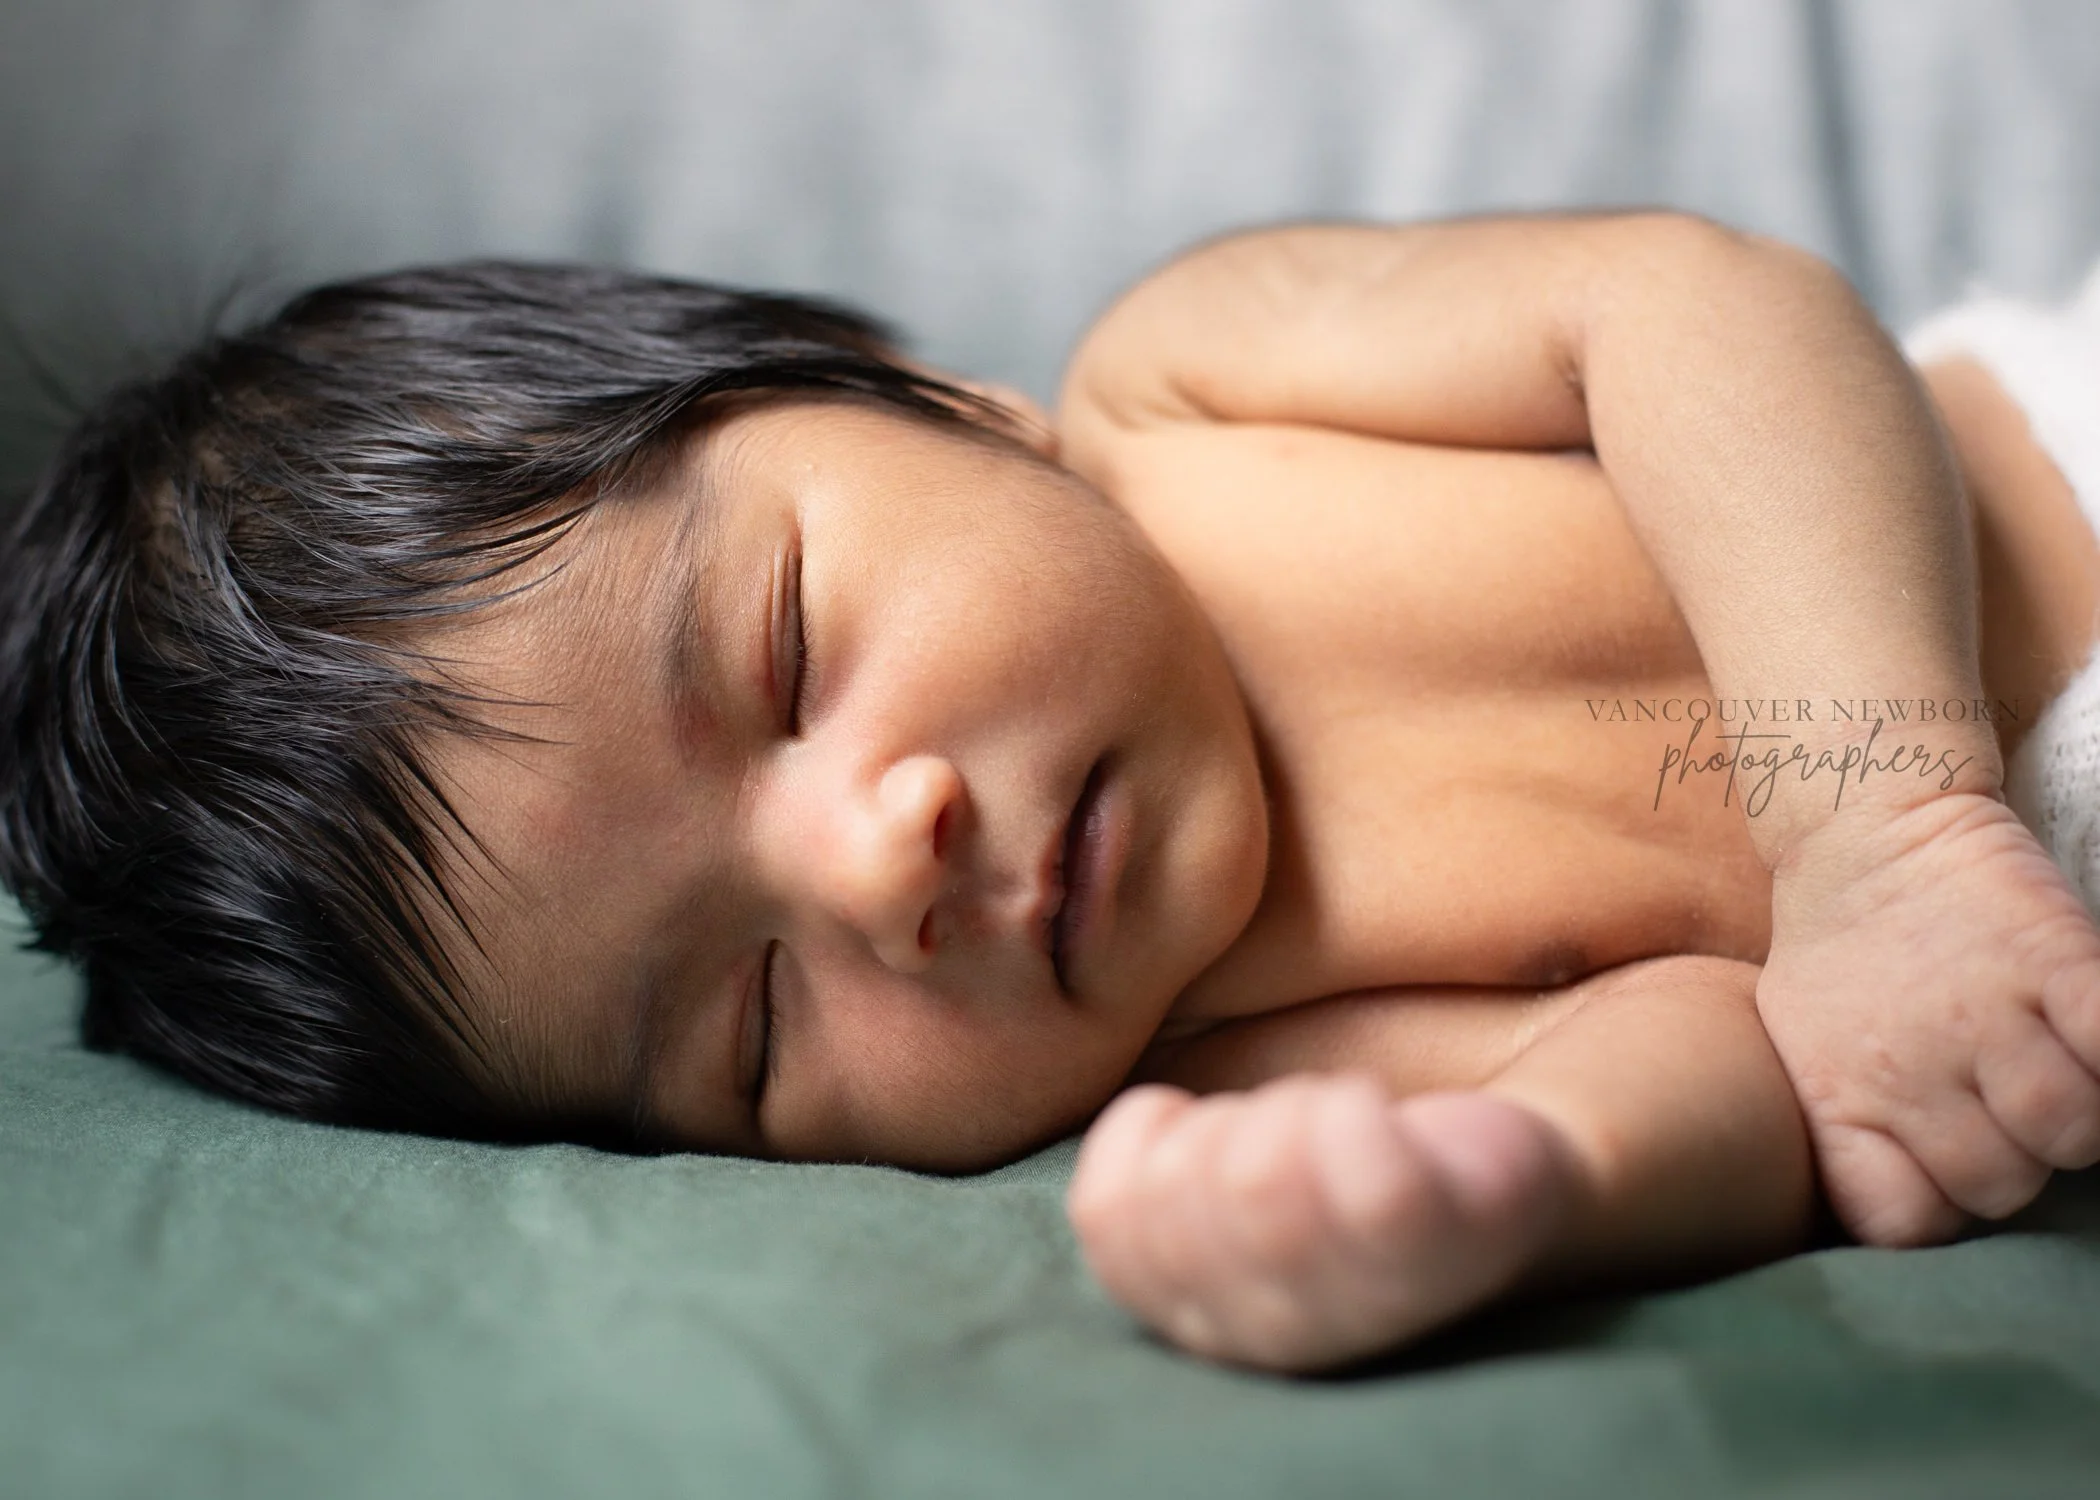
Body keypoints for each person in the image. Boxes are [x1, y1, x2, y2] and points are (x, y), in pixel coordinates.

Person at [4, 213, 2098, 1375]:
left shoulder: (1194, 384)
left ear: (939, 405)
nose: (873, 866)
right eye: (749, 1024)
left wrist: (1881, 828)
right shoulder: (1212, 1040)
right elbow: (1724, 1059)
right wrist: (1518, 1182)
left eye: (788, 660)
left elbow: (1690, 313)